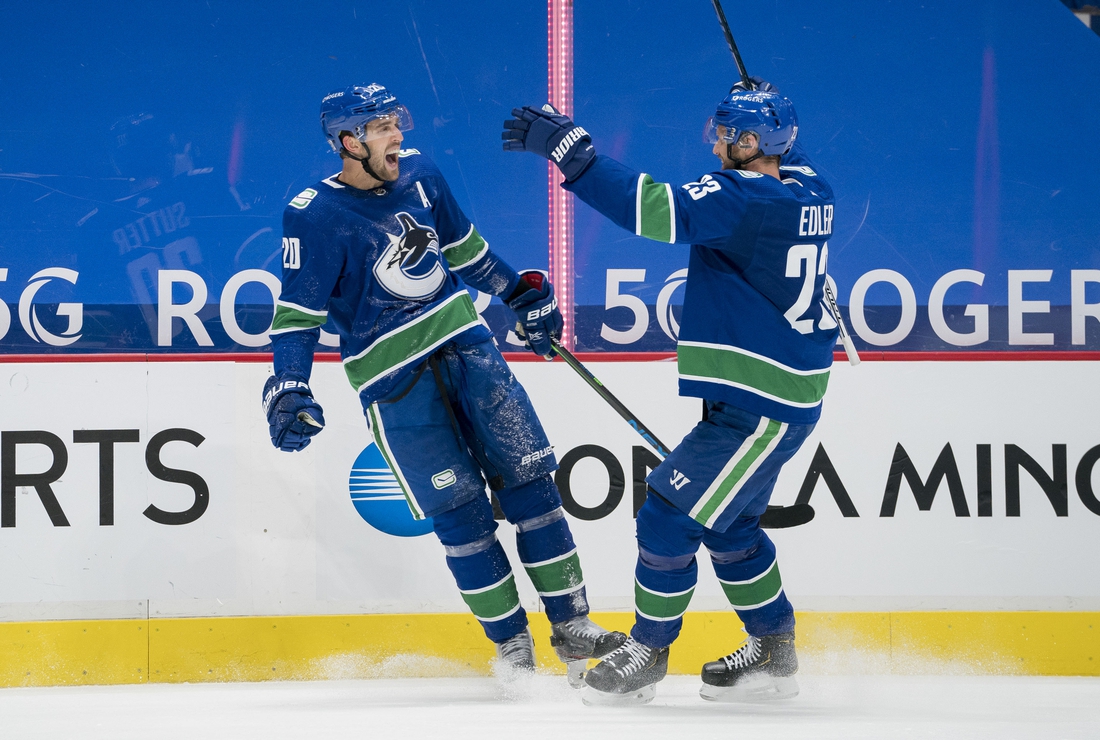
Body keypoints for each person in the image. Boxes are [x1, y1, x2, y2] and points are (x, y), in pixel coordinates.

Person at [264, 83, 625, 683]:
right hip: (394, 380)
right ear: (348, 142)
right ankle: (513, 646)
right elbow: (298, 313)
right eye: (382, 129)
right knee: (461, 516)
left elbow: (465, 250)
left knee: (533, 488)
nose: (397, 136)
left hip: (469, 349)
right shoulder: (315, 214)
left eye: (395, 123)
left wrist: (516, 293)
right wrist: (289, 385)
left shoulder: (421, 175)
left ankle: (573, 626)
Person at [502, 78, 839, 704]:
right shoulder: (810, 187)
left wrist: (574, 154)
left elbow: (656, 209)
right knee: (732, 528)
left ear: (748, 141)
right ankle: (773, 650)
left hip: (759, 406)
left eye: (726, 134)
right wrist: (766, 110)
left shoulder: (745, 199)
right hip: (778, 395)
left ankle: (649, 650)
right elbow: (780, 156)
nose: (715, 144)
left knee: (667, 515)